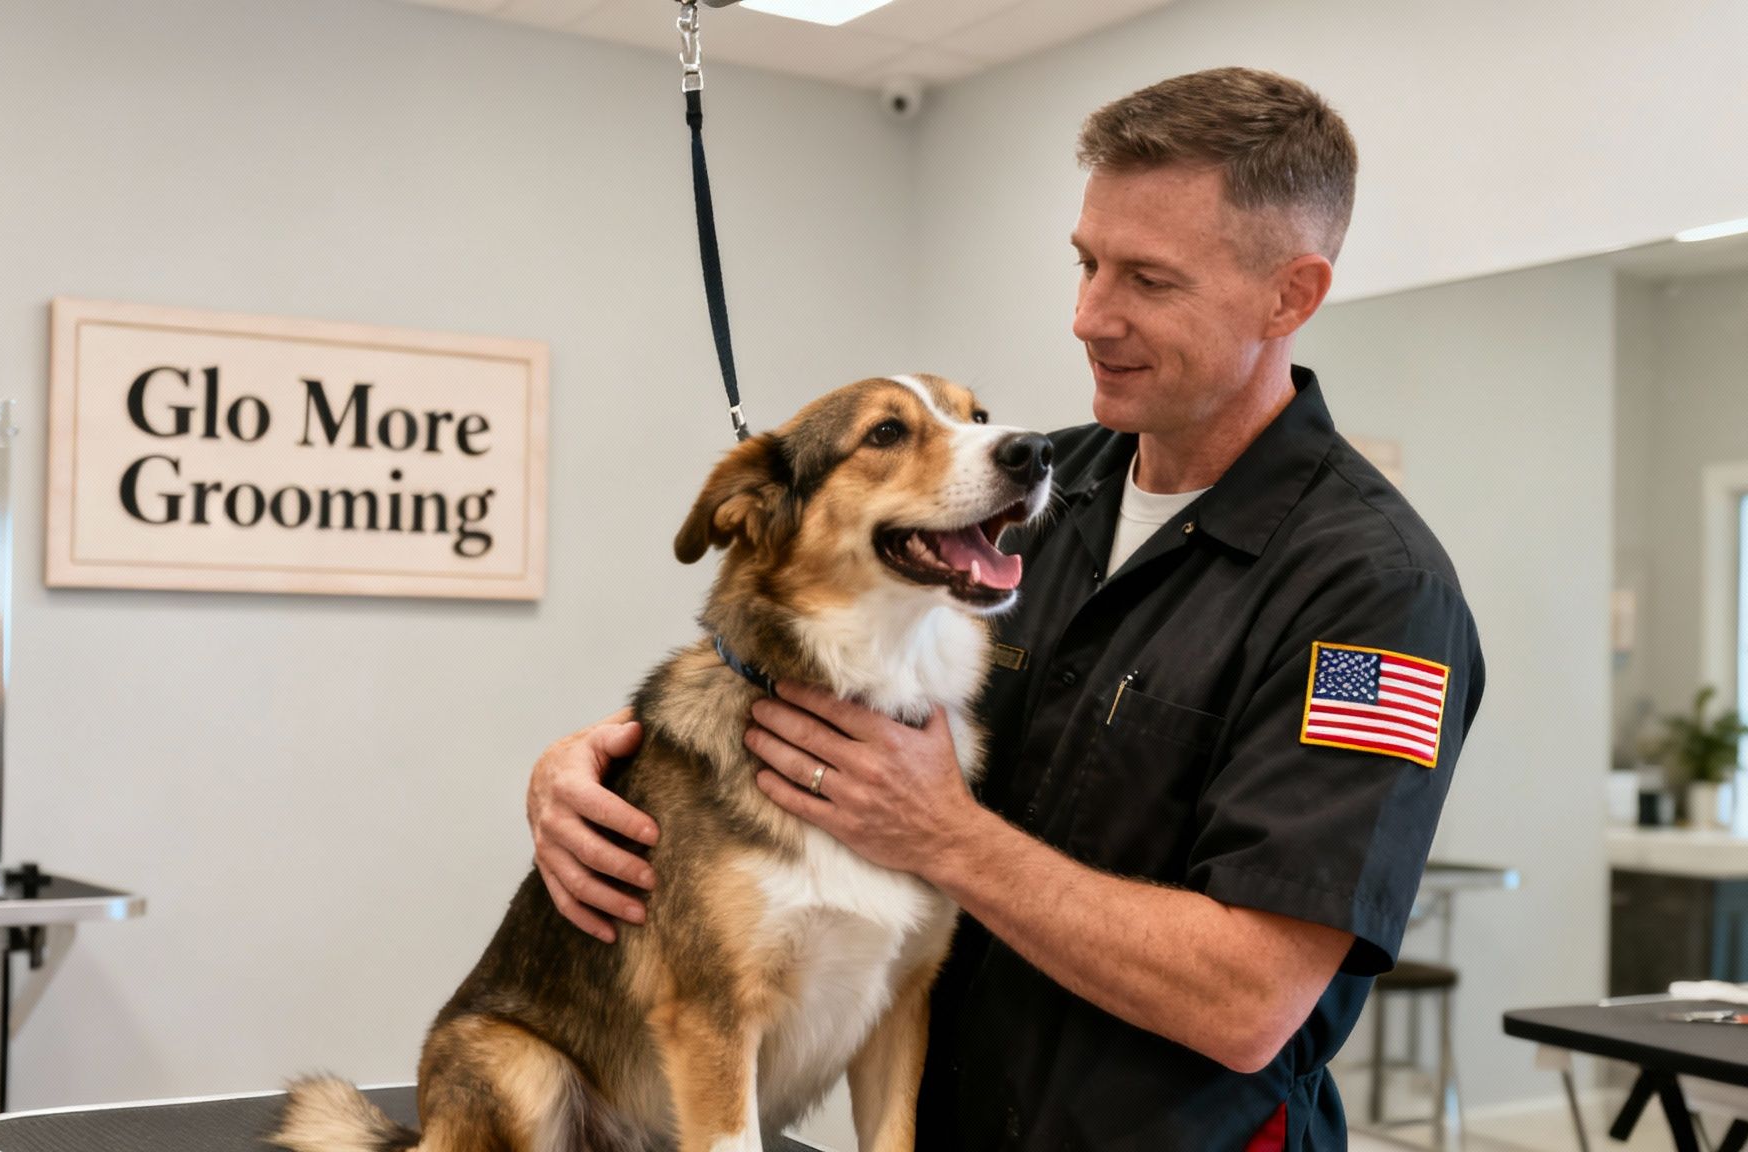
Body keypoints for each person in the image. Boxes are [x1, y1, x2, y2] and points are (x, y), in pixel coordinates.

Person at [527, 67, 1484, 1150]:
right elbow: (798, 674)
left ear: (1289, 296)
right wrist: (589, 774)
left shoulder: (1371, 594)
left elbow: (1250, 1003)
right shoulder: (1028, 495)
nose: (1087, 318)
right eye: (1084, 263)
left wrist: (946, 838)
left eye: (1148, 281)